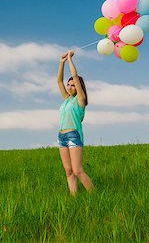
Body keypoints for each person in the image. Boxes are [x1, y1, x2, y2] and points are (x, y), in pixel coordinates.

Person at [56, 50, 93, 195]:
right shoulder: (67, 99)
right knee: (68, 171)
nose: (69, 87)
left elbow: (76, 77)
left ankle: (93, 196)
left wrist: (70, 59)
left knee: (78, 170)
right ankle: (74, 198)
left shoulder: (80, 100)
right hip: (61, 136)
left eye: (72, 85)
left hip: (73, 136)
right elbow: (59, 81)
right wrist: (61, 62)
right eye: (68, 84)